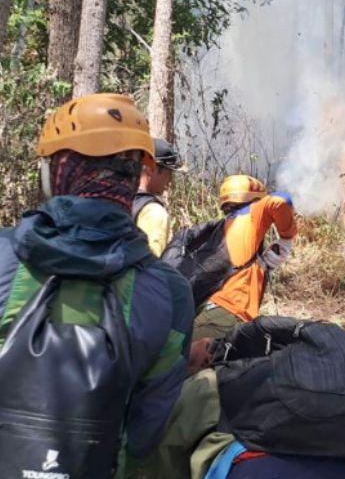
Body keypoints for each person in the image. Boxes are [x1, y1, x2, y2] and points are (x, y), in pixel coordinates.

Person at [0, 94, 194, 477]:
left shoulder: (4, 255)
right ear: (136, 174)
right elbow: (145, 430)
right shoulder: (170, 293)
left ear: (56, 170)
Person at [192, 174, 297, 341]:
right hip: (228, 314)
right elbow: (280, 200)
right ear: (255, 199)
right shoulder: (253, 214)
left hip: (208, 310)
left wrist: (263, 266)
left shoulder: (223, 227)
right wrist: (286, 237)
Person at [133, 138, 186, 256]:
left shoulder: (120, 199)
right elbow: (151, 261)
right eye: (169, 174)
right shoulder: (154, 212)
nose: (170, 180)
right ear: (151, 170)